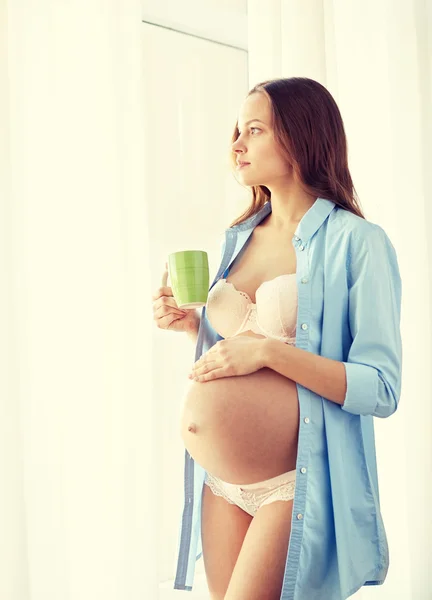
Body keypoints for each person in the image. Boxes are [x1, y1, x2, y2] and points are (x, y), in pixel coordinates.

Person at [152, 77, 403, 600]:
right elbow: (241, 346)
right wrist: (194, 328)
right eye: (236, 131)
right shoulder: (238, 237)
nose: (237, 144)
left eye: (254, 130)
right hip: (219, 484)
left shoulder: (358, 243)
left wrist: (270, 352)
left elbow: (380, 388)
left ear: (299, 137)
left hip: (293, 481)